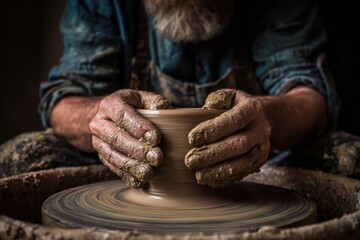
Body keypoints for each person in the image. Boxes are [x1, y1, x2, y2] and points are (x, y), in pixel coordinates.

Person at [1, 0, 358, 186]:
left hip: (259, 167)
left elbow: (310, 96)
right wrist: (101, 117)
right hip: (132, 173)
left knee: (350, 159)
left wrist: (265, 119)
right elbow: (65, 98)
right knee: (18, 159)